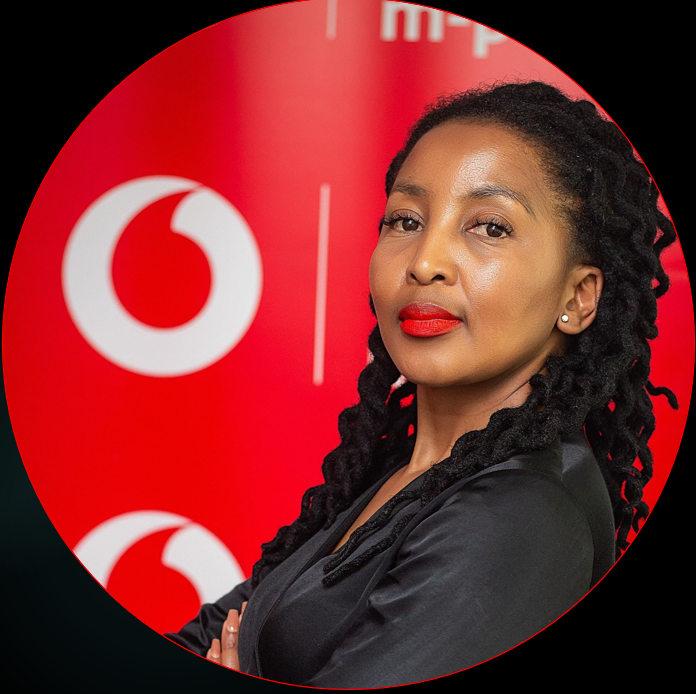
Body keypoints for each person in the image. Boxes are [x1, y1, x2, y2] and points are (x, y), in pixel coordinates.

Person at [165, 81, 678, 686]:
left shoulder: (518, 516)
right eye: (405, 220)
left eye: (490, 227)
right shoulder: (411, 477)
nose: (425, 261)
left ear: (577, 297)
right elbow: (211, 634)